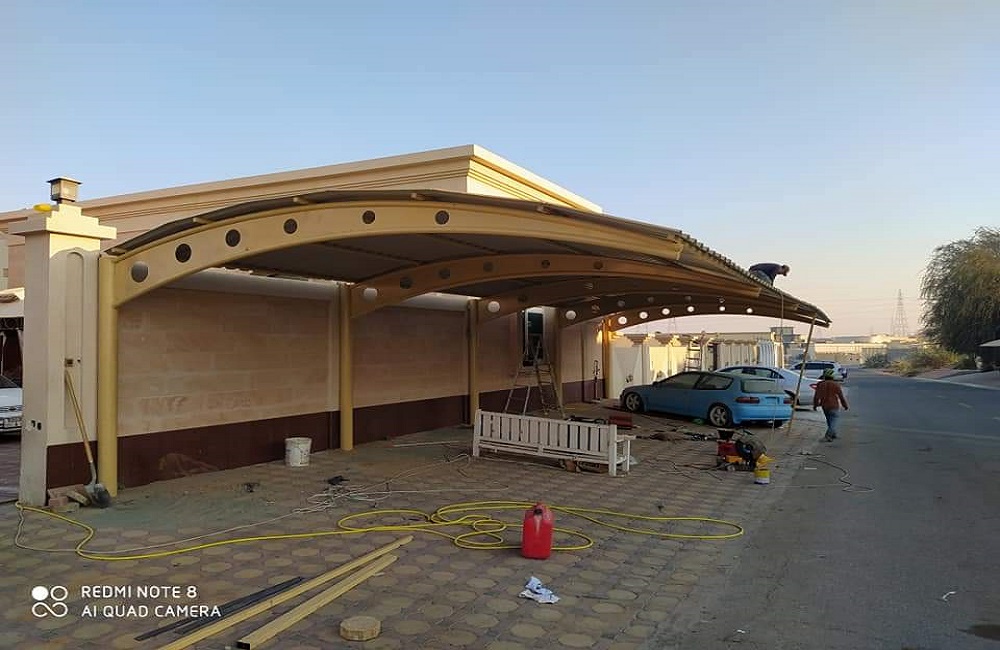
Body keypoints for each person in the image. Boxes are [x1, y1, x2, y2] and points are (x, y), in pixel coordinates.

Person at [813, 368, 849, 441]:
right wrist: (845, 405)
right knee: (833, 421)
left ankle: (833, 434)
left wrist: (815, 405)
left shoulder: (820, 384)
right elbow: (841, 397)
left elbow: (816, 397)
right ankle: (828, 435)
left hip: (825, 406)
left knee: (829, 420)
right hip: (834, 405)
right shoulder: (836, 384)